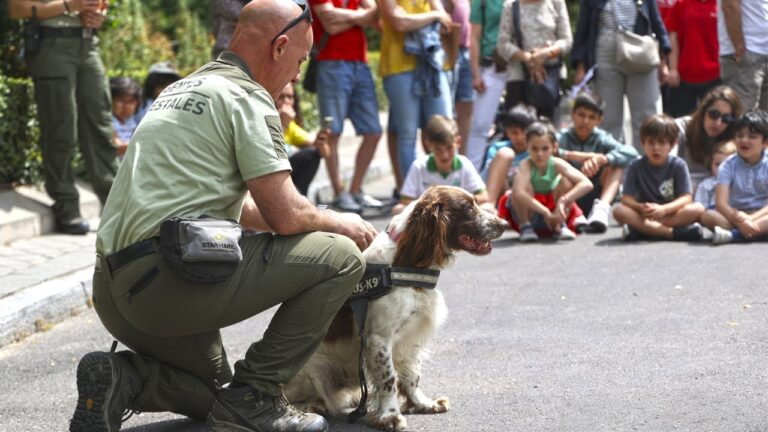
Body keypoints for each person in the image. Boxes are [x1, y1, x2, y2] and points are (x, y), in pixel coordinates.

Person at [68, 2, 377, 432]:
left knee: (218, 395)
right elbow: (286, 213)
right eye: (301, 60)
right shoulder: (248, 97)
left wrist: (305, 216)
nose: (297, 75)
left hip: (113, 290)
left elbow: (249, 209)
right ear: (279, 46)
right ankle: (259, 395)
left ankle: (126, 379)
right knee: (341, 256)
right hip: (166, 282)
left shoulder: (182, 89)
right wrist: (340, 220)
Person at [9, 0, 117, 235]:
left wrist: (99, 14)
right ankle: (66, 207)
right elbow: (16, 9)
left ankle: (116, 207)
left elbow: (101, 4)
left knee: (101, 126)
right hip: (51, 43)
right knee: (61, 127)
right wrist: (68, 5)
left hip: (88, 44)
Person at [309, 0, 384, 212]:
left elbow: (374, 13)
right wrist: (360, 17)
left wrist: (346, 16)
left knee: (373, 131)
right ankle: (339, 192)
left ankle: (355, 190)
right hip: (331, 62)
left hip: (361, 63)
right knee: (332, 132)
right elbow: (330, 25)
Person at [571, 0, 671, 153]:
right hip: (605, 51)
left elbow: (656, 20)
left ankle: (647, 165)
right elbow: (583, 28)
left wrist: (664, 61)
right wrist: (580, 65)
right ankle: (612, 166)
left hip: (640, 49)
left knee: (646, 116)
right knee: (608, 117)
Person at [379, 0, 454, 193]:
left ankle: (447, 192)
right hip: (398, 67)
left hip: (432, 65)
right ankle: (414, 196)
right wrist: (433, 17)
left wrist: (433, 16)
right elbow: (399, 23)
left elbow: (446, 22)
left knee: (445, 130)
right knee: (407, 135)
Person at [613, 114, 705, 241]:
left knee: (697, 209)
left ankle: (643, 231)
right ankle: (670, 233)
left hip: (670, 213)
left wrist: (664, 209)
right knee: (619, 211)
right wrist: (640, 207)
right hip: (645, 215)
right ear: (643, 143)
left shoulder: (678, 165)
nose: (656, 148)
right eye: (651, 142)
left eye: (662, 142)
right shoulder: (635, 166)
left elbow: (686, 198)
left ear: (672, 145)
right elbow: (626, 199)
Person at [557, 92, 639, 233]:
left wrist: (603, 159)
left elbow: (631, 153)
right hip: (570, 194)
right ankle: (574, 213)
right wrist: (574, 156)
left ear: (599, 121)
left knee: (616, 166)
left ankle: (601, 210)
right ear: (573, 114)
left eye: (592, 117)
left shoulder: (602, 138)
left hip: (596, 192)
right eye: (581, 115)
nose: (586, 121)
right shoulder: (562, 137)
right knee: (559, 169)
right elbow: (544, 150)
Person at [502, 121, 593, 241]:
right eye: (534, 148)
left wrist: (563, 199)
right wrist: (545, 212)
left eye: (545, 149)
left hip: (555, 212)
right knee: (523, 186)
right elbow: (518, 193)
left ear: (554, 147)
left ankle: (560, 224)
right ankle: (525, 226)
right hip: (532, 212)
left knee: (565, 181)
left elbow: (586, 183)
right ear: (527, 145)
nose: (539, 154)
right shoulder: (526, 164)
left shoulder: (556, 163)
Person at [393, 115, 488, 214]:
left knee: (488, 208)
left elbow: (484, 196)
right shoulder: (419, 166)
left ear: (458, 142)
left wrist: (455, 202)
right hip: (429, 215)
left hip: (458, 214)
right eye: (438, 149)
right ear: (429, 145)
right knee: (398, 210)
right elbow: (405, 200)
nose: (445, 155)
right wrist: (432, 206)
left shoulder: (464, 164)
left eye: (449, 148)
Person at [495, 0, 572, 120]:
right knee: (517, 126)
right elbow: (502, 44)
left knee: (546, 128)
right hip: (519, 77)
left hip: (550, 77)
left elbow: (567, 40)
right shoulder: (511, 5)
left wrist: (546, 53)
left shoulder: (556, 3)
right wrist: (528, 58)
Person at [701, 110, 768, 245]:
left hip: (761, 214)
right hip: (734, 215)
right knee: (708, 216)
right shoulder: (727, 165)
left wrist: (749, 219)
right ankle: (757, 233)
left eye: (752, 136)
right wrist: (739, 219)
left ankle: (735, 235)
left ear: (765, 142)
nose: (744, 140)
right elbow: (721, 203)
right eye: (739, 135)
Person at [672, 85, 744, 188]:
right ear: (703, 112)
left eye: (726, 118)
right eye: (714, 114)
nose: (718, 123)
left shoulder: (735, 138)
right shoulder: (680, 128)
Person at [464, 0, 505, 171]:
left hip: (518, 68)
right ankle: (470, 182)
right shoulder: (481, 2)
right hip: (491, 68)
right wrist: (476, 74)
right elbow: (474, 37)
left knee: (518, 125)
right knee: (480, 126)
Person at [664, 0, 720, 118]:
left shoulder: (720, 4)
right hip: (684, 77)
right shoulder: (681, 4)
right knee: (683, 121)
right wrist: (673, 69)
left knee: (713, 120)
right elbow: (672, 37)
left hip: (715, 75)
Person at [479, 103, 536, 213]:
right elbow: (487, 177)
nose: (519, 137)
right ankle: (489, 205)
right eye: (514, 132)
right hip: (499, 193)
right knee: (506, 153)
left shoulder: (535, 151)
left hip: (523, 198)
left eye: (524, 132)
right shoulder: (498, 148)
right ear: (507, 132)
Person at [276, 83, 331, 196]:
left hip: (284, 173)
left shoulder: (291, 125)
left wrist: (321, 143)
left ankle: (300, 197)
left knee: (312, 154)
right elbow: (268, 149)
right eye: (281, 97)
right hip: (270, 173)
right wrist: (283, 125)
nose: (286, 101)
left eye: (290, 97)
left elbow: (321, 152)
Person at [718, 0, 768, 111]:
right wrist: (738, 46)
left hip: (761, 51)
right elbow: (729, 7)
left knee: (763, 121)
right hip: (746, 53)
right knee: (743, 118)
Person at [693, 140, 736, 210]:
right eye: (717, 164)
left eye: (726, 165)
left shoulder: (739, 182)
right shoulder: (706, 185)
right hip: (713, 215)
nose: (721, 169)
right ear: (711, 164)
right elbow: (700, 206)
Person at [109, 76, 141, 157]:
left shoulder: (132, 121)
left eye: (130, 102)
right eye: (121, 100)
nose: (126, 106)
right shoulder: (108, 121)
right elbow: (117, 148)